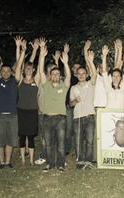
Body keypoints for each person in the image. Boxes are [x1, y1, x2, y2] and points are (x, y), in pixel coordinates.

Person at [38, 40, 72, 172]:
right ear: (50, 76)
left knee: (61, 144)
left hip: (60, 119)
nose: (56, 75)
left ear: (59, 76)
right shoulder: (46, 86)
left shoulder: (64, 86)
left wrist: (65, 63)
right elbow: (41, 72)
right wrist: (41, 56)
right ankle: (50, 164)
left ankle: (61, 164)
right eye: (53, 74)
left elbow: (68, 76)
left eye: (58, 74)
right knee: (48, 144)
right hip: (46, 118)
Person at [0, 35, 19, 169]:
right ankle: (2, 162)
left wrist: (20, 49)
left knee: (11, 139)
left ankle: (8, 162)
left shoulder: (14, 81)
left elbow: (19, 65)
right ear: (0, 72)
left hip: (13, 115)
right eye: (3, 71)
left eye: (8, 71)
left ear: (11, 72)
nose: (6, 72)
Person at [70, 47, 97, 169]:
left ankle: (89, 160)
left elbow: (95, 74)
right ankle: (80, 162)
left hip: (89, 116)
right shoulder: (73, 88)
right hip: (78, 117)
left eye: (83, 73)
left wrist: (90, 61)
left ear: (86, 75)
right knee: (78, 140)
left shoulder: (90, 84)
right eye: (79, 74)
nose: (81, 75)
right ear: (76, 75)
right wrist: (75, 100)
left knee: (90, 140)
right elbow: (70, 104)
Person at [13, 37, 39, 166]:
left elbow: (37, 64)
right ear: (24, 70)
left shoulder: (37, 81)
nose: (28, 70)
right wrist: (22, 50)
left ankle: (31, 160)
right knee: (22, 136)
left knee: (31, 136)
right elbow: (18, 66)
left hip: (33, 111)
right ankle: (23, 160)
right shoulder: (19, 81)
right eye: (26, 68)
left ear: (33, 70)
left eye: (31, 68)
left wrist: (37, 50)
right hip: (22, 111)